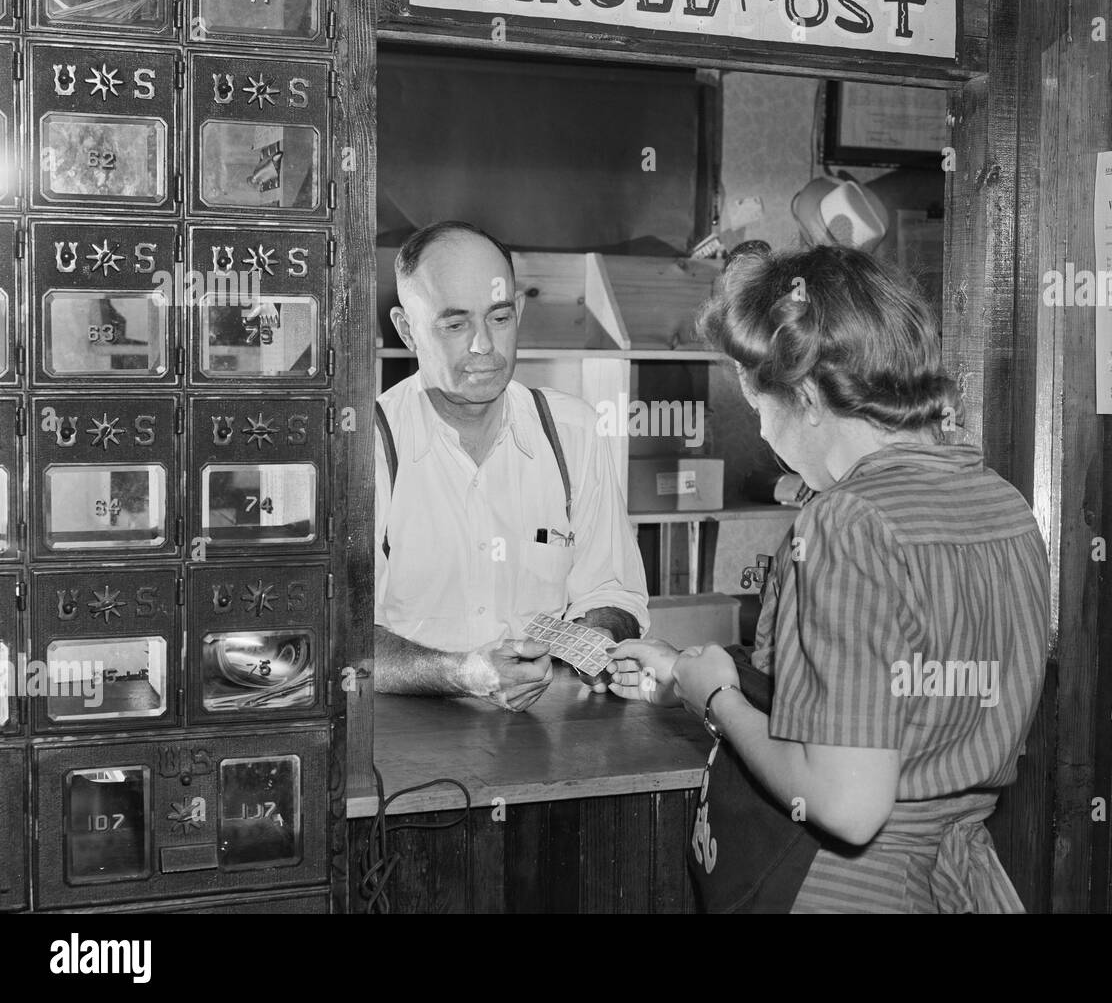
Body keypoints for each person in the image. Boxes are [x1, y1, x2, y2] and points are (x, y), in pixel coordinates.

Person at [609, 244, 1049, 912]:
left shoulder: (847, 524)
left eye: (756, 403)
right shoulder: (1003, 504)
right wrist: (683, 671)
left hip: (850, 888)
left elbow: (846, 804)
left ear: (808, 397)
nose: (759, 429)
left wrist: (716, 705)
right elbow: (894, 696)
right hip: (957, 880)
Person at [374, 221, 648, 711]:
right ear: (406, 330)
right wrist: (464, 674)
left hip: (542, 738)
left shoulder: (573, 433)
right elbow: (339, 637)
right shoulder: (368, 446)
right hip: (401, 747)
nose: (484, 346)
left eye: (499, 318)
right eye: (455, 325)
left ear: (518, 310)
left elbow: (615, 589)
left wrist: (595, 639)